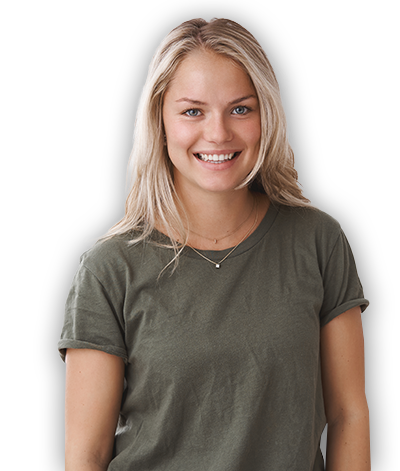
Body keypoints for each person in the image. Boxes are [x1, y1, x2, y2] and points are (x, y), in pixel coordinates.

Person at [58, 17, 371, 471]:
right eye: (192, 111)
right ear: (160, 121)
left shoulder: (319, 241)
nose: (219, 133)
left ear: (267, 114)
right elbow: (86, 455)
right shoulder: (108, 269)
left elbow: (348, 415)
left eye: (241, 109)